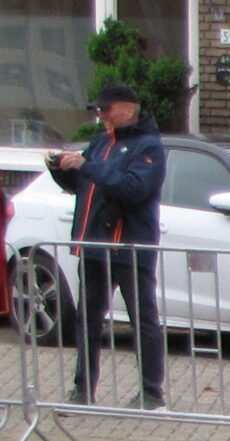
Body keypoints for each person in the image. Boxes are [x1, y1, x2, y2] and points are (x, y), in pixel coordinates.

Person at [48, 79, 165, 408]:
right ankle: (83, 389)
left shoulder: (149, 146)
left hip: (129, 246)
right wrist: (60, 168)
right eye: (98, 111)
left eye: (106, 109)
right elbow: (81, 183)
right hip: (94, 245)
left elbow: (132, 189)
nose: (101, 116)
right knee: (87, 318)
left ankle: (151, 392)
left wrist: (88, 165)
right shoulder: (99, 142)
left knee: (143, 319)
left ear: (127, 110)